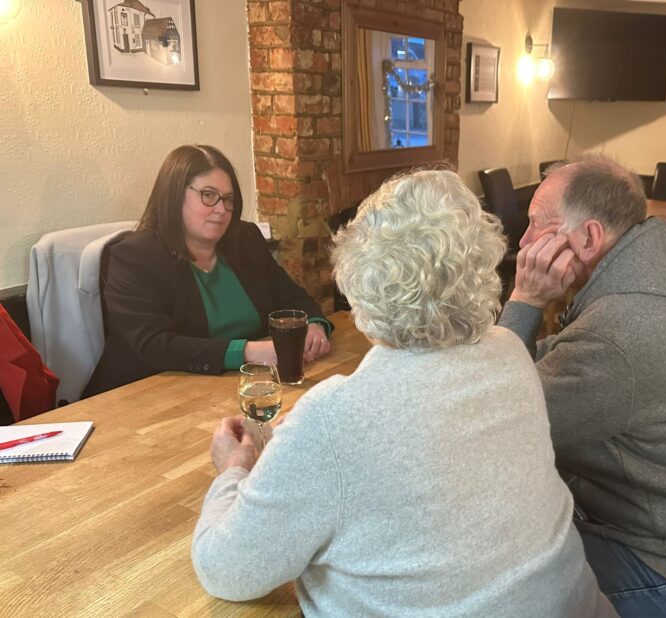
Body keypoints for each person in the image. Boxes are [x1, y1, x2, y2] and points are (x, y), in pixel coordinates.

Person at [191, 170, 616, 617]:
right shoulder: (510, 353)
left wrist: (232, 471)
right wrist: (304, 446)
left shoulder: (332, 417)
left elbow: (227, 570)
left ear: (358, 283)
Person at [498, 154, 666, 617]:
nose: (524, 242)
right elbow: (562, 358)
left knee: (507, 584)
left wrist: (524, 299)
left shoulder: (620, 330)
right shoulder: (652, 274)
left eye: (534, 226)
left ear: (587, 237)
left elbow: (502, 422)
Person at [83, 145, 331, 397]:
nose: (222, 209)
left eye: (228, 199)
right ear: (174, 195)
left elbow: (291, 296)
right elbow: (156, 346)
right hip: (148, 400)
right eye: (208, 195)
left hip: (237, 389)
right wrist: (249, 352)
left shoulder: (245, 240)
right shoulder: (134, 257)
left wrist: (314, 325)